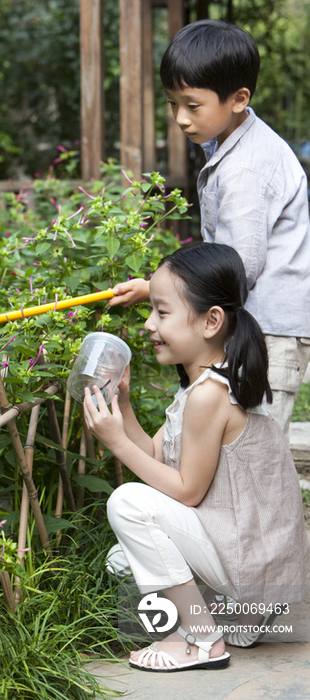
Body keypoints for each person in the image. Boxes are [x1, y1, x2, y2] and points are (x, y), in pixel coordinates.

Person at [83, 242, 310, 672]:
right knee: (121, 561)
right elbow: (154, 453)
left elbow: (186, 492)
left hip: (248, 569)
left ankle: (204, 639)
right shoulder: (210, 382)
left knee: (127, 504)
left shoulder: (209, 395)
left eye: (162, 313)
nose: (149, 324)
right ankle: (230, 612)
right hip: (253, 566)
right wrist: (123, 404)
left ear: (211, 322)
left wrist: (117, 443)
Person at [109, 19, 310, 438]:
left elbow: (238, 265)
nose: (181, 119)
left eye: (192, 105)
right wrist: (154, 287)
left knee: (253, 446)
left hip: (267, 332)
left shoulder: (246, 169)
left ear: (238, 99)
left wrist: (157, 290)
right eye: (173, 104)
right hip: (255, 323)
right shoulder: (232, 143)